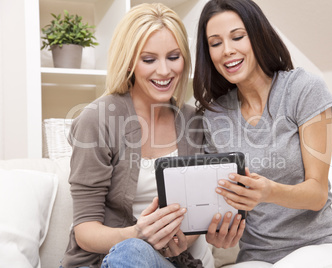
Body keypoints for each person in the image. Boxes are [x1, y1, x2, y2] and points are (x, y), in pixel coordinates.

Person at [193, 0, 332, 267]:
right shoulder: (214, 116)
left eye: (237, 37)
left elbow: (317, 193)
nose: (227, 50)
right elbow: (223, 205)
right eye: (215, 43)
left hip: (321, 245)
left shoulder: (302, 89)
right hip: (257, 256)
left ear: (258, 34)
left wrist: (269, 191)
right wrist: (220, 232)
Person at [60, 3, 235, 267]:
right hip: (108, 260)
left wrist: (180, 241)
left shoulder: (195, 122)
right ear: (129, 61)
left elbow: (202, 211)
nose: (164, 71)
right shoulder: (98, 119)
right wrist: (138, 235)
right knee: (131, 251)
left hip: (171, 262)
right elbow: (85, 231)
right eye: (149, 59)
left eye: (173, 57)